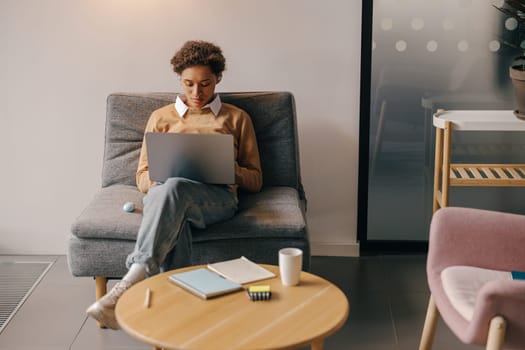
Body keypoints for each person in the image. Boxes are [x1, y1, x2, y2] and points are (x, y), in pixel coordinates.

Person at [86, 40, 263, 330]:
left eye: (205, 84)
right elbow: (142, 177)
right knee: (171, 197)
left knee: (174, 190)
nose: (196, 93)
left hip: (216, 200)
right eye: (188, 84)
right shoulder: (160, 117)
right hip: (167, 198)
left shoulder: (236, 118)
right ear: (179, 80)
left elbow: (255, 180)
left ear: (218, 79)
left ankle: (129, 282)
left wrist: (226, 169)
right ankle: (178, 316)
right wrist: (160, 180)